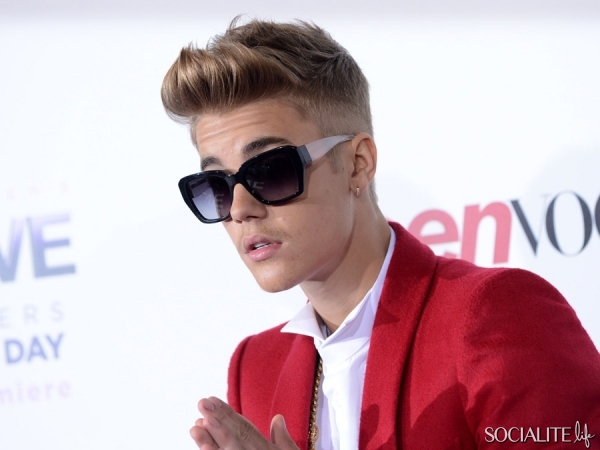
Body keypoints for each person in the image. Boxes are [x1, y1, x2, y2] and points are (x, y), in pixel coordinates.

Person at [161, 18, 600, 450]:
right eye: (216, 186)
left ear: (358, 164)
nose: (240, 209)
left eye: (270, 170)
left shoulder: (498, 314)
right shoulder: (256, 368)